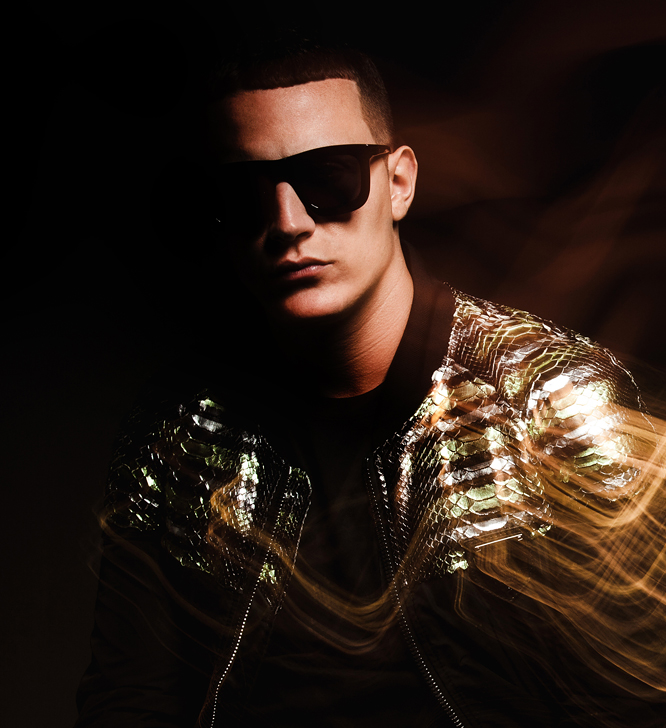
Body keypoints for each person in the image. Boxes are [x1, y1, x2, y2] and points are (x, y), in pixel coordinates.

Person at [76, 30, 665, 728]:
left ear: (399, 183)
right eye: (247, 192)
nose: (288, 222)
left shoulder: (554, 400)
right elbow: (128, 697)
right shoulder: (181, 430)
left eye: (328, 178)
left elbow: (639, 698)